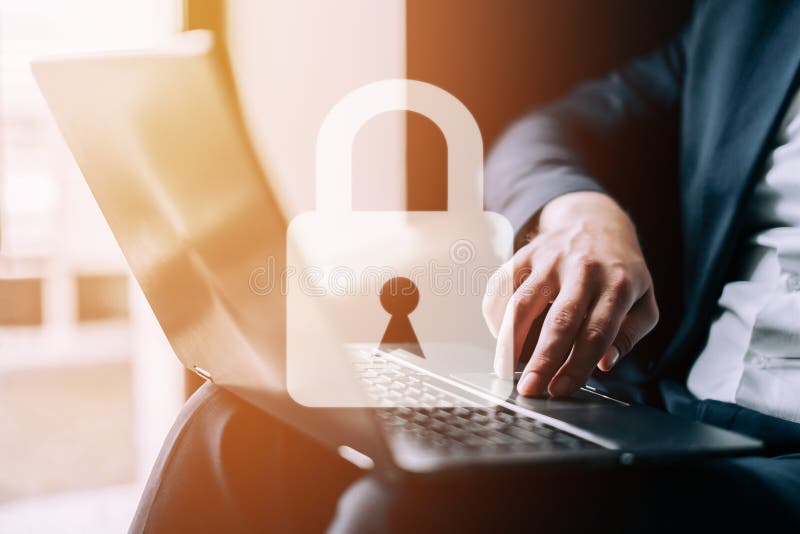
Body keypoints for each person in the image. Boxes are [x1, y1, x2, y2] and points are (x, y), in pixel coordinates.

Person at [131, 1, 800, 531]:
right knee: (240, 420)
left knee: (418, 512)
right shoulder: (750, 13)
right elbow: (552, 130)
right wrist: (578, 212)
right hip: (680, 412)